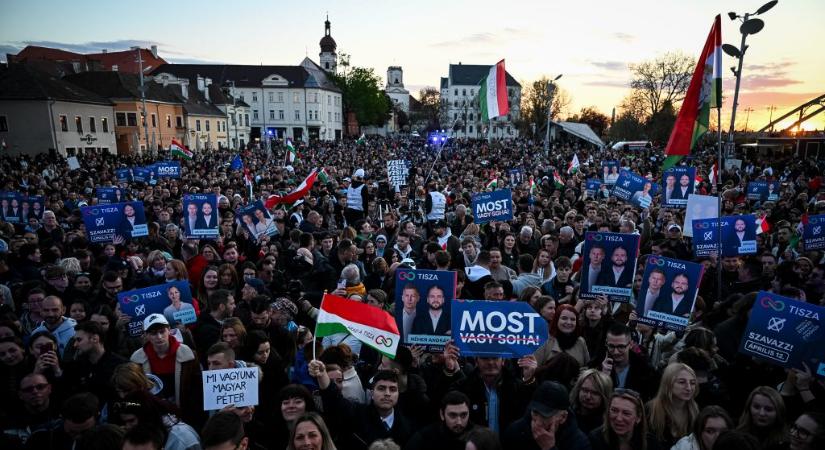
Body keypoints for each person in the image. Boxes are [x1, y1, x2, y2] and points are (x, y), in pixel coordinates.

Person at [309, 360, 412, 450]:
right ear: (372, 393)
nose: (387, 393)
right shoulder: (357, 413)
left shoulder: (408, 426)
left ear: (398, 394)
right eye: (381, 388)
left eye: (393, 389)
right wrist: (322, 375)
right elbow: (335, 400)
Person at [130, 313, 203, 427]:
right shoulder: (137, 359)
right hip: (154, 416)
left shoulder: (188, 355)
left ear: (169, 330)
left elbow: (197, 388)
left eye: (162, 331)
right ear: (146, 335)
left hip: (185, 414)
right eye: (153, 333)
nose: (159, 337)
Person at [502, 380, 591, 450]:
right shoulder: (515, 432)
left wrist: (549, 448)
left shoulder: (578, 442)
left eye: (545, 416)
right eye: (535, 413)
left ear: (563, 417)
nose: (538, 422)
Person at [646, 363, 699, 449]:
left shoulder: (695, 411)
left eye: (692, 383)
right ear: (668, 383)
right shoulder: (651, 410)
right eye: (682, 382)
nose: (689, 388)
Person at [588, 389, 659, 450]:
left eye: (626, 413)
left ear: (638, 417)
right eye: (614, 410)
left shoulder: (651, 444)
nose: (619, 418)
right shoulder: (595, 440)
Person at [406, 391, 474, 450]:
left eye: (463, 415)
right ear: (442, 414)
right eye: (453, 415)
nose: (459, 422)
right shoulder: (422, 440)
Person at [737, 386, 788, 450]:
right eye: (756, 407)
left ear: (779, 413)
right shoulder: (736, 437)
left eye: (768, 409)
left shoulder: (787, 443)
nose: (762, 413)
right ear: (749, 408)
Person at [569, 369, 613, 434]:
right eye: (585, 390)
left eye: (595, 393)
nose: (588, 397)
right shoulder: (567, 415)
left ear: (604, 396)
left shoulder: (607, 425)